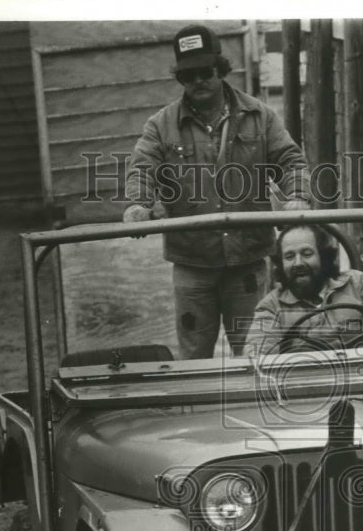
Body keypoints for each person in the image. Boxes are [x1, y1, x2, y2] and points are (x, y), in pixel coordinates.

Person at [124, 24, 310, 359]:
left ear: (220, 70)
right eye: (188, 74)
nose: (198, 81)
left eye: (205, 72)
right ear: (181, 78)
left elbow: (290, 160)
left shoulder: (259, 116)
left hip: (248, 262)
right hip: (192, 263)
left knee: (255, 352)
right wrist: (139, 203)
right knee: (194, 357)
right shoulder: (161, 125)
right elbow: (143, 166)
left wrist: (296, 196)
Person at [250, 225, 363, 354]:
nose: (298, 263)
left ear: (323, 257)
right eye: (289, 256)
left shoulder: (357, 283)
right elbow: (257, 356)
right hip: (308, 390)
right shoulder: (272, 306)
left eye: (307, 253)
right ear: (280, 264)